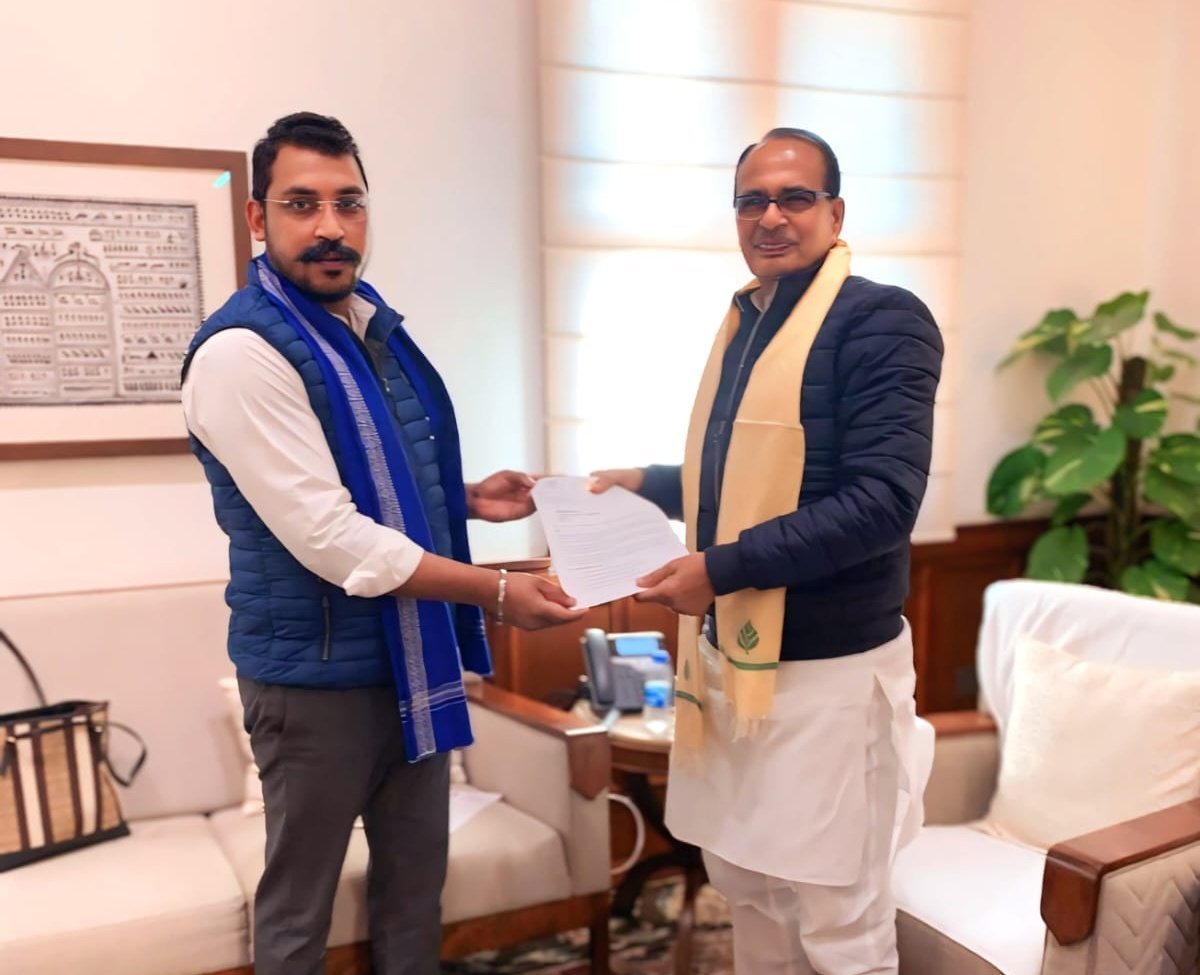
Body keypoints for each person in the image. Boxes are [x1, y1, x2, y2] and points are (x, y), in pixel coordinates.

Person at [180, 111, 581, 975]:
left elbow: (374, 477)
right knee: (300, 911)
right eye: (301, 203)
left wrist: (464, 499)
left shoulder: (366, 328)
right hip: (313, 680)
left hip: (409, 656)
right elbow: (330, 533)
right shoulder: (240, 353)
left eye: (348, 202)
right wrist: (498, 593)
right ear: (258, 218)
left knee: (413, 896)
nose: (330, 226)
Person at [591, 128, 942, 975]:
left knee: (838, 917)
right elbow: (741, 477)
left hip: (828, 675)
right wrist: (641, 481)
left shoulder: (882, 320)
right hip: (737, 669)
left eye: (795, 197)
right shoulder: (749, 320)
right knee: (749, 888)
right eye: (753, 200)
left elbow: (880, 502)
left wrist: (718, 568)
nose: (772, 216)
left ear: (835, 211)